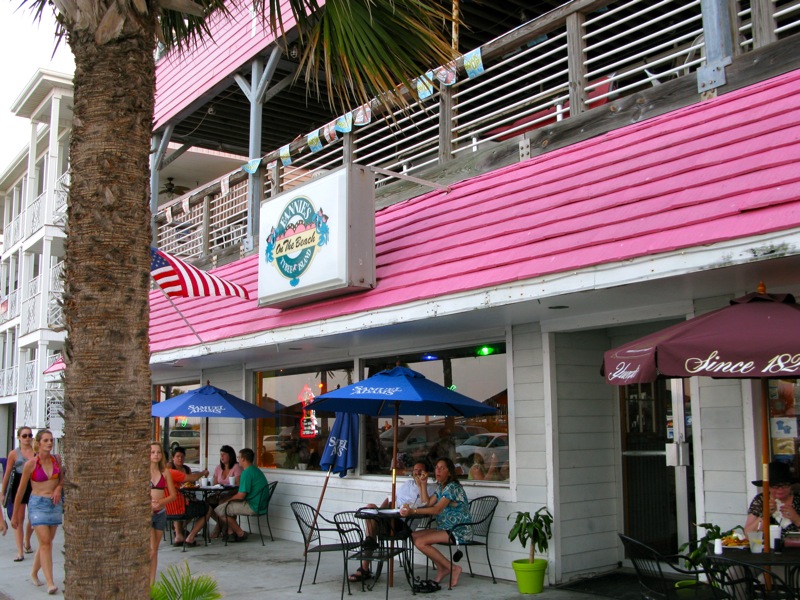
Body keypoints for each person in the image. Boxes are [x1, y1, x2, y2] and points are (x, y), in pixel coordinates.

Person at [349, 460, 436, 582]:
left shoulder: (432, 489)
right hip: (390, 519)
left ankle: (365, 565)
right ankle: (369, 544)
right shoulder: (407, 484)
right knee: (370, 508)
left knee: (371, 528)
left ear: (426, 473)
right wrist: (380, 511)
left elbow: (427, 506)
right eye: (415, 470)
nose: (417, 472)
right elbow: (391, 498)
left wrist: (422, 485)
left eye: (420, 470)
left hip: (405, 523)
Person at [400, 457, 472, 588]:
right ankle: (443, 568)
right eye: (436, 468)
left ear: (449, 472)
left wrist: (413, 512)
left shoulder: (452, 488)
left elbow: (437, 509)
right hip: (444, 527)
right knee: (413, 535)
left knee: (420, 542)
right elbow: (426, 503)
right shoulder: (441, 488)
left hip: (458, 530)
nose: (437, 470)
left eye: (442, 468)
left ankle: (453, 568)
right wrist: (423, 483)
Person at [12, 429, 63, 595]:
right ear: (39, 443)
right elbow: (21, 490)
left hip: (54, 504)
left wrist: (58, 488)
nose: (49, 443)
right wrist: (14, 516)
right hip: (38, 504)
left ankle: (34, 572)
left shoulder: (56, 459)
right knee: (46, 542)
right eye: (46, 440)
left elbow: (62, 478)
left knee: (45, 543)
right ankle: (50, 582)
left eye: (51, 440)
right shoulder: (31, 464)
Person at [214, 448, 268, 543]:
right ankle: (230, 533)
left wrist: (228, 500)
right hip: (261, 504)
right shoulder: (255, 470)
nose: (238, 459)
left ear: (243, 459)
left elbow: (241, 496)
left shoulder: (246, 473)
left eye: (239, 457)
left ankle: (240, 533)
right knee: (227, 507)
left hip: (253, 506)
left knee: (220, 510)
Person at [1, 426, 35, 561]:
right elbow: (7, 473)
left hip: (33, 484)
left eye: (30, 435)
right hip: (18, 484)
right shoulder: (14, 454)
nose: (28, 438)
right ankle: (20, 551)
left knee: (34, 518)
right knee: (19, 519)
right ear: (19, 438)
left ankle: (27, 539)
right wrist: (2, 492)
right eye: (25, 436)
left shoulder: (36, 451)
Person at [744, 460, 800, 534]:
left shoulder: (798, 499)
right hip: (767, 545)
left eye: (785, 485)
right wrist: (765, 515)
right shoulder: (761, 499)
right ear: (768, 487)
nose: (780, 490)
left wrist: (796, 519)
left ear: (790, 486)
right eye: (775, 486)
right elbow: (748, 534)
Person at [149, 442, 177, 585]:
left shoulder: (165, 472)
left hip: (160, 512)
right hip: (147, 514)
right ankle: (144, 582)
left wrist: (161, 502)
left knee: (155, 550)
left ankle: (151, 584)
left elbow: (173, 495)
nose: (156, 455)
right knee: (151, 550)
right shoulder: (143, 472)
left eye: (158, 452)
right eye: (153, 452)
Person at [166, 464, 209, 546]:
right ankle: (191, 537)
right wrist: (203, 472)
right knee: (207, 508)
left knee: (177, 505)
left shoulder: (155, 475)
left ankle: (178, 536)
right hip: (180, 510)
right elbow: (193, 478)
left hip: (166, 511)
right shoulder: (171, 473)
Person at [205, 445, 243, 537]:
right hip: (219, 493)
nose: (222, 457)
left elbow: (238, 484)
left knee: (222, 503)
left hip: (233, 493)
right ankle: (221, 523)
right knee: (208, 503)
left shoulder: (236, 467)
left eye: (224, 454)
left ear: (230, 455)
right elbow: (215, 483)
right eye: (221, 454)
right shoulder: (218, 468)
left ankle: (219, 527)